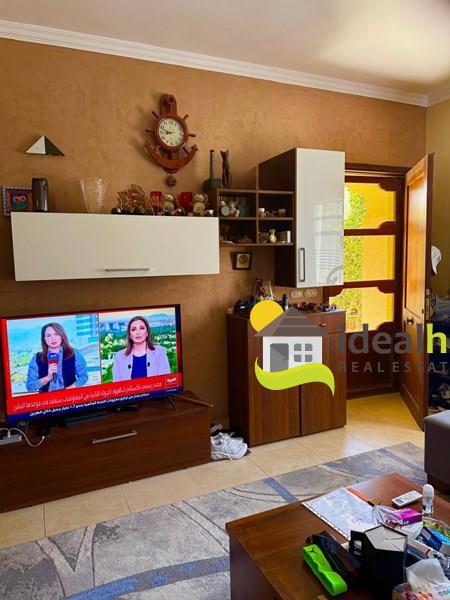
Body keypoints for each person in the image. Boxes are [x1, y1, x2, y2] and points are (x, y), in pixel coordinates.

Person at [26, 322, 88, 393]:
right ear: (44, 339)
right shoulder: (37, 358)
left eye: (56, 334)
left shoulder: (73, 353)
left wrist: (69, 389)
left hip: (69, 396)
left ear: (62, 336)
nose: (53, 338)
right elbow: (30, 386)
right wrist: (47, 378)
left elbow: (83, 376)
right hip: (47, 398)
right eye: (49, 336)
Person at [112, 316, 171, 381]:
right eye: (133, 329)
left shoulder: (160, 352)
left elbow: (165, 381)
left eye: (142, 328)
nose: (138, 332)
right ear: (130, 335)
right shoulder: (119, 356)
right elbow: (117, 383)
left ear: (147, 333)